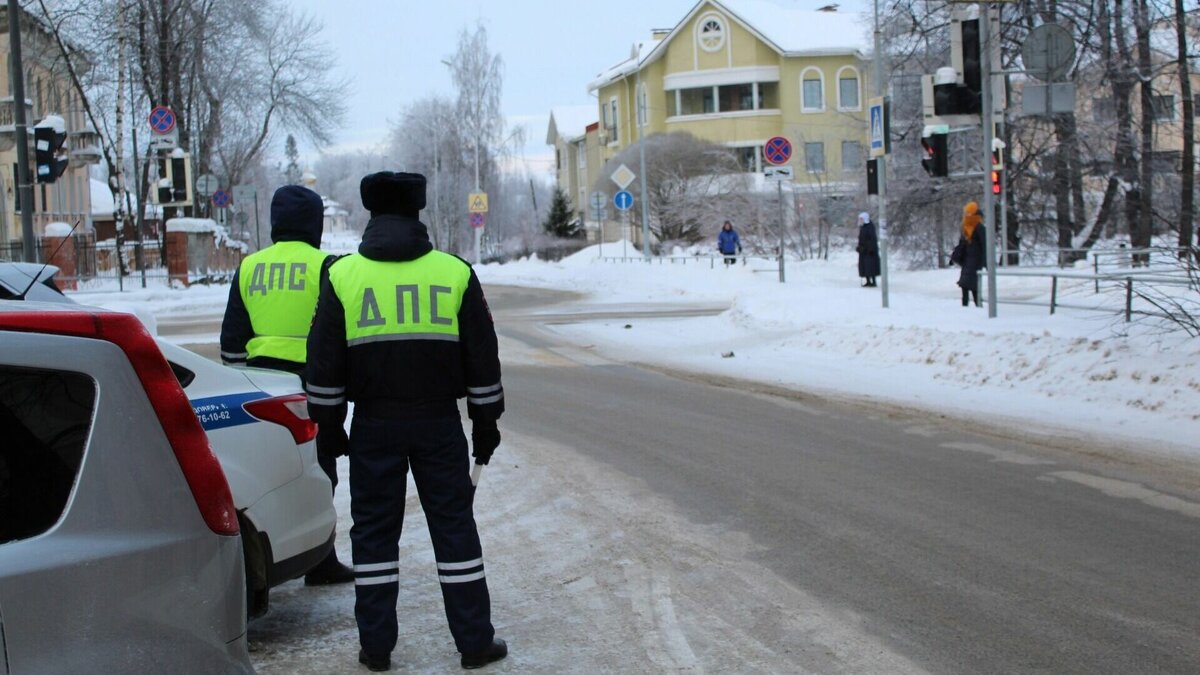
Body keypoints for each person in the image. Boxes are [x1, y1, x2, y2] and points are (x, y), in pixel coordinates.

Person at [305, 171, 507, 672]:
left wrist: (329, 427)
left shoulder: (342, 275)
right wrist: (485, 421)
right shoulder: (454, 272)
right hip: (439, 425)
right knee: (455, 529)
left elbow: (323, 364)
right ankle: (474, 643)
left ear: (371, 212)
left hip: (374, 425)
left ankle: (376, 648)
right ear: (418, 210)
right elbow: (482, 357)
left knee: (373, 534)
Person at [219, 184, 354, 586]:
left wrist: (241, 382)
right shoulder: (327, 265)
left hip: (260, 385)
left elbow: (231, 342)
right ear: (316, 223)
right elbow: (339, 334)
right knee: (318, 470)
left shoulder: (249, 267)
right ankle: (320, 558)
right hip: (310, 386)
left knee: (267, 474)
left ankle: (279, 553)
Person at [951, 200, 987, 307]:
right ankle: (978, 307)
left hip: (967, 262)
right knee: (974, 287)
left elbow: (962, 245)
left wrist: (955, 257)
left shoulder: (966, 227)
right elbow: (985, 245)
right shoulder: (979, 228)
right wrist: (986, 262)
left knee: (966, 286)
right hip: (976, 262)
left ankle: (966, 308)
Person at [855, 212, 880, 287]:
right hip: (863, 251)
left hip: (870, 251)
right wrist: (859, 247)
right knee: (864, 266)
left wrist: (869, 248)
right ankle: (868, 280)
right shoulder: (863, 227)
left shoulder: (870, 227)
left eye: (861, 219)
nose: (860, 220)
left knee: (871, 266)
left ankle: (873, 281)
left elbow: (872, 239)